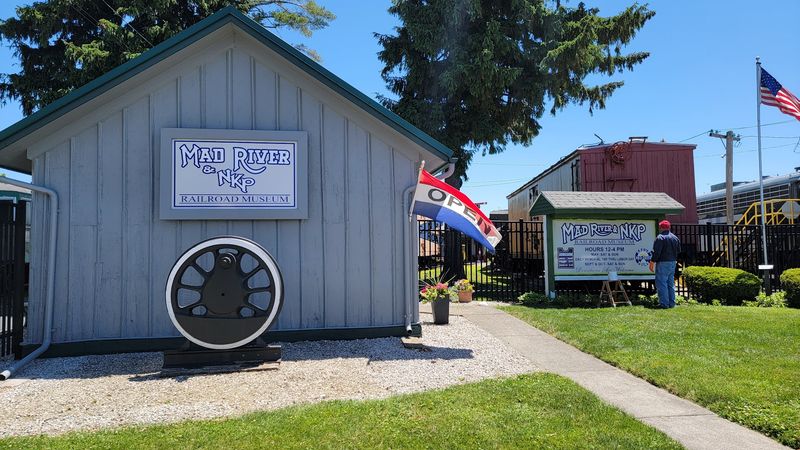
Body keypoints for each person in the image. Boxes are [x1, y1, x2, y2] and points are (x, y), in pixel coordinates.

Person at [651, 220, 680, 308]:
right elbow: (678, 251)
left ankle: (664, 304)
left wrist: (652, 262)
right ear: (669, 227)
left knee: (662, 283)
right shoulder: (675, 238)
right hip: (672, 262)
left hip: (663, 262)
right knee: (670, 283)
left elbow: (657, 252)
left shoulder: (660, 237)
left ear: (660, 228)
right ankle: (672, 303)